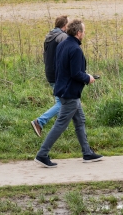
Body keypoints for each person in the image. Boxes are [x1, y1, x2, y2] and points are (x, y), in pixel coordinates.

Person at [35, 19, 103, 167]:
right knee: (60, 124)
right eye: (83, 31)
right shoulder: (76, 49)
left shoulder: (63, 45)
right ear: (78, 33)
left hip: (62, 88)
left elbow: (62, 68)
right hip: (70, 92)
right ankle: (42, 154)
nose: (84, 33)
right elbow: (76, 73)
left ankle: (87, 152)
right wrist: (88, 78)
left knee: (80, 120)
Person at [31, 16, 68, 137]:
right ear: (65, 25)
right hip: (58, 74)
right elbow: (66, 56)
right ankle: (39, 122)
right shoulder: (62, 37)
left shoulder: (49, 37)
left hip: (50, 73)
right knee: (63, 103)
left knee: (63, 101)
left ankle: (60, 129)